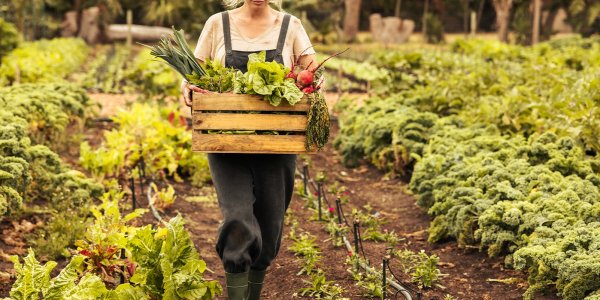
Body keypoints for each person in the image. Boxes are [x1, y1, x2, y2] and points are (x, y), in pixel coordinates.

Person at [181, 0, 317, 299]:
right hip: (226, 142)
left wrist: (311, 85)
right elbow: (193, 76)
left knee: (270, 227)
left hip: (277, 143)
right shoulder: (217, 24)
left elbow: (312, 72)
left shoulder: (290, 26)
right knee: (238, 219)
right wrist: (189, 89)